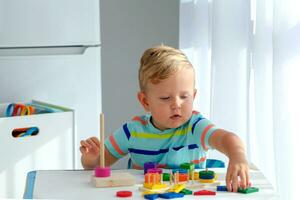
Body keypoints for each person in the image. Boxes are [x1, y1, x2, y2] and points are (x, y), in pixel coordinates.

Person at [80, 45, 249, 192]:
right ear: (145, 101)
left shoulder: (195, 126)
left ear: (194, 95)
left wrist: (238, 157)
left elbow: (228, 139)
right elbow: (98, 165)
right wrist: (92, 159)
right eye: (165, 98)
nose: (177, 105)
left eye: (184, 96)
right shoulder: (133, 131)